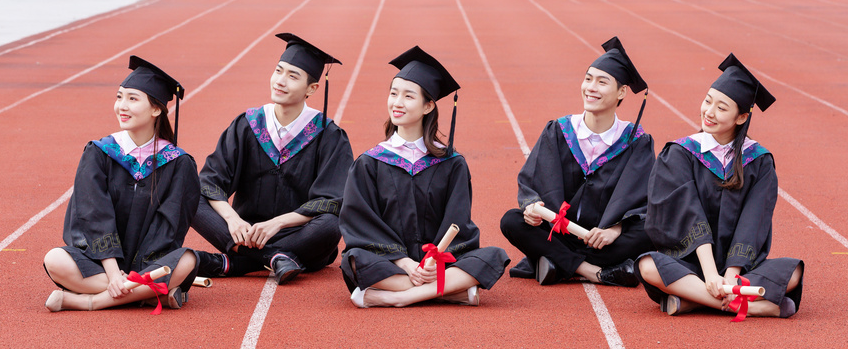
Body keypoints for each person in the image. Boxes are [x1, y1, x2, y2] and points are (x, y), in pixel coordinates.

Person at [340, 46, 510, 308]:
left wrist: (433, 262)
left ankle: (400, 297)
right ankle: (451, 291)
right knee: (355, 260)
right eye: (393, 93)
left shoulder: (452, 164)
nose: (397, 103)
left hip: (435, 263)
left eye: (408, 96)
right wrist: (406, 263)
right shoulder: (370, 163)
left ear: (428, 105)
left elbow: (459, 222)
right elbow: (361, 223)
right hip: (391, 263)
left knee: (493, 256)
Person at [636, 54, 803, 318]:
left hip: (739, 269)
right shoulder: (681, 152)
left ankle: (694, 300)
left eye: (722, 108)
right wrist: (712, 274)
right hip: (690, 262)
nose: (709, 112)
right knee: (648, 265)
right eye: (707, 101)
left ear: (740, 118)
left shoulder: (759, 161)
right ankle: (748, 306)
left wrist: (731, 274)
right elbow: (688, 212)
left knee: (793, 272)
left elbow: (754, 220)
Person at [192, 33, 353, 284]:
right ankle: (274, 257)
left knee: (330, 224)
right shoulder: (248, 124)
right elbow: (211, 182)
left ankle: (237, 261)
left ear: (312, 88)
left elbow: (331, 201)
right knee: (190, 197)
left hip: (299, 234)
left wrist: (277, 224)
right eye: (279, 71)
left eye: (292, 76)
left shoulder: (328, 135)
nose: (280, 81)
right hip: (245, 231)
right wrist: (232, 219)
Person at [43, 55, 199, 312]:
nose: (122, 106)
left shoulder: (178, 163)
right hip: (101, 263)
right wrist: (115, 274)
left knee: (188, 260)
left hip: (149, 263)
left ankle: (89, 301)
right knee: (55, 259)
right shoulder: (99, 152)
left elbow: (169, 226)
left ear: (156, 109)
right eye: (119, 97)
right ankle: (148, 294)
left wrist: (138, 270)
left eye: (132, 99)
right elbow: (94, 215)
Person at [499, 37, 654, 287]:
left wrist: (614, 230)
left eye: (602, 82)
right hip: (559, 233)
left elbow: (643, 198)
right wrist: (532, 207)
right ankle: (592, 271)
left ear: (622, 92)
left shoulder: (636, 141)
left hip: (602, 240)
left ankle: (557, 264)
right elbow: (532, 182)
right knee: (512, 221)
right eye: (588, 78)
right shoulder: (559, 131)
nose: (591, 87)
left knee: (651, 230)